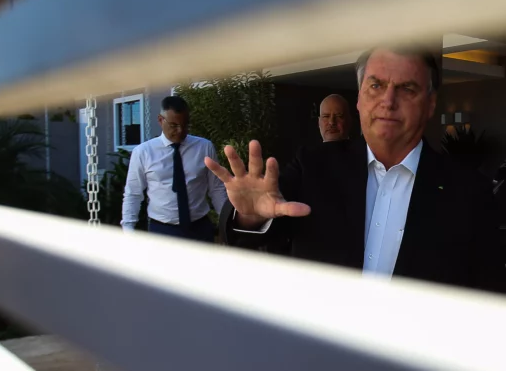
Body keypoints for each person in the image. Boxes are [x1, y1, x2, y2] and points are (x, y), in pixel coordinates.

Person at [205, 45, 505, 292]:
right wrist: (250, 216)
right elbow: (251, 237)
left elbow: (486, 293)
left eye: (407, 88)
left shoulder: (470, 193)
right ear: (360, 98)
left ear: (430, 104)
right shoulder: (313, 166)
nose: (388, 101)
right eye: (376, 85)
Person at [122, 96, 228, 242]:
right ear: (161, 120)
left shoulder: (204, 147)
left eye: (185, 125)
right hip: (162, 230)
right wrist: (128, 231)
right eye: (174, 125)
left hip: (200, 228)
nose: (180, 130)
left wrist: (226, 223)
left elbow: (216, 188)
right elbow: (133, 193)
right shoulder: (143, 152)